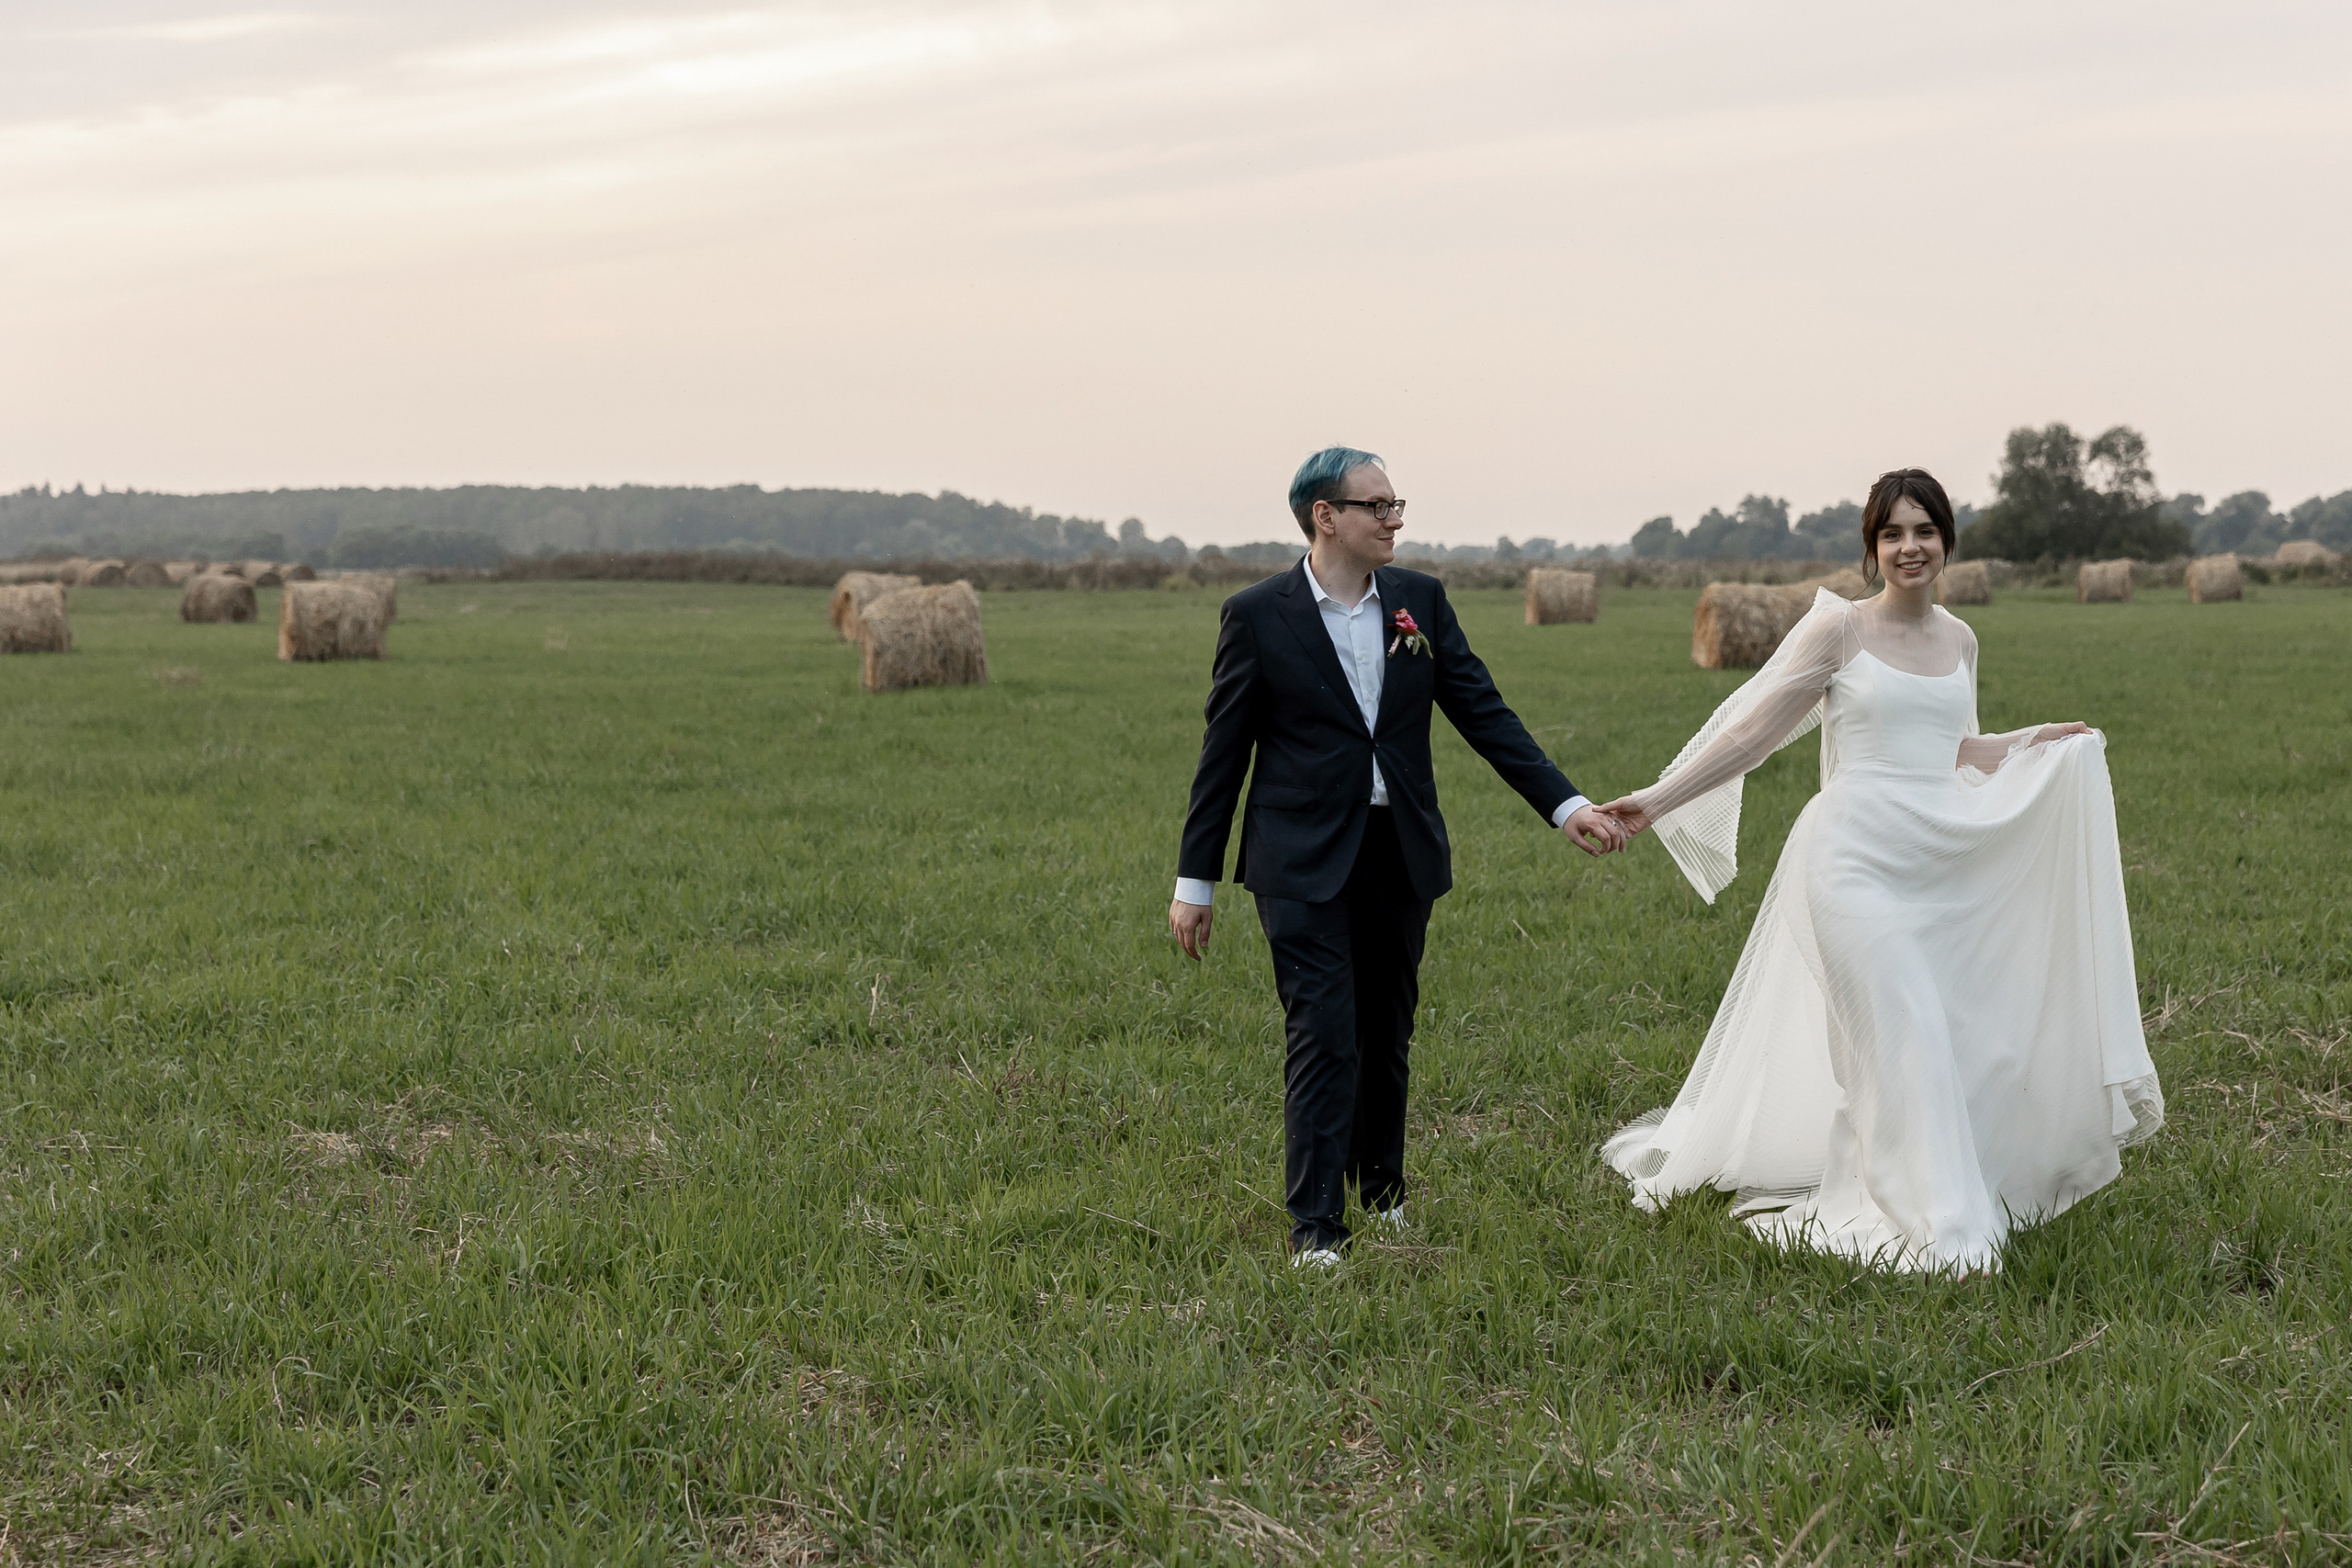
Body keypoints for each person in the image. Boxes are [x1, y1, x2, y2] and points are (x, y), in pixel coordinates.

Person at [1594, 468, 2164, 1274]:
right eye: (1892, 533)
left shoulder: (1962, 639)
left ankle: (1922, 1186)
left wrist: (2040, 740)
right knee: (1907, 1032)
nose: (1910, 547)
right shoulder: (1839, 631)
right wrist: (1657, 800)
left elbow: (1959, 750)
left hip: (1931, 860)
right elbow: (1752, 736)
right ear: (1872, 547)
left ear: (1947, 542)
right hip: (1850, 861)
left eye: (1924, 531)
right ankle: (1938, 1223)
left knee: (1942, 1036)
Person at [1170, 446, 1625, 1266]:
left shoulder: (1419, 602)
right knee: (1323, 1033)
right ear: (1325, 517)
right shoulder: (1257, 614)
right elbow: (1223, 756)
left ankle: (1381, 1190)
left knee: (1385, 1031)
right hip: (1299, 858)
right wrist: (1193, 881)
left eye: (1396, 503)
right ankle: (1315, 1226)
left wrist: (1566, 805)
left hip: (1399, 851)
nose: (1395, 518)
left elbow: (1484, 712)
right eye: (1376, 506)